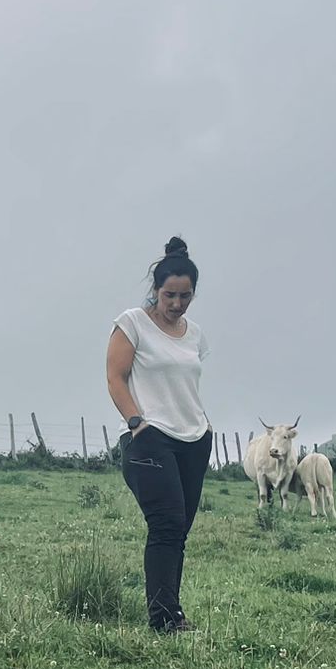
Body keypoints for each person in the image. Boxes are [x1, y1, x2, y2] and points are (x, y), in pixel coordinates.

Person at [106, 236, 213, 632]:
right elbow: (115, 378)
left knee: (179, 530)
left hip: (195, 439)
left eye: (185, 296)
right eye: (170, 295)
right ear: (156, 289)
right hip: (149, 438)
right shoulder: (131, 323)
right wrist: (137, 424)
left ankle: (172, 611)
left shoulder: (195, 334)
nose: (177, 304)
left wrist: (205, 425)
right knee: (166, 524)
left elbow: (185, 384)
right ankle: (164, 619)